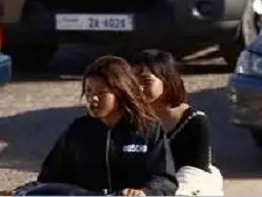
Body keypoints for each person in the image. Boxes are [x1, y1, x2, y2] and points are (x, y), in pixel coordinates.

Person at [34, 55, 177, 196]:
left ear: (121, 92)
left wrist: (145, 192)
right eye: (88, 91)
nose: (93, 99)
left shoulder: (148, 130)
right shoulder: (77, 130)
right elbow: (49, 180)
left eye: (101, 93)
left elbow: (165, 180)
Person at [129, 50, 219, 195]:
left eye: (146, 81)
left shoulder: (195, 122)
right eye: (133, 83)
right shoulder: (131, 119)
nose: (138, 89)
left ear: (167, 80)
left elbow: (196, 175)